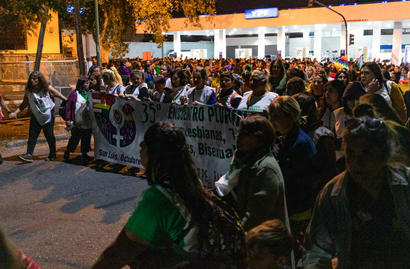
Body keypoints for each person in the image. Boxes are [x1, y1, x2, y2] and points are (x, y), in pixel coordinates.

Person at [92, 122, 246, 269]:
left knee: (140, 251)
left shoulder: (158, 198)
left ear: (154, 153)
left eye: (144, 144)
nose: (140, 147)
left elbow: (117, 254)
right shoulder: (192, 184)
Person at [304, 117, 410, 269]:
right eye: (351, 152)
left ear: (384, 153)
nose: (357, 162)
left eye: (366, 153)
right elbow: (316, 251)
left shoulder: (406, 185)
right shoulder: (333, 194)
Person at [215, 115, 289, 231]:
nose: (237, 137)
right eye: (238, 133)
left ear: (258, 138)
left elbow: (255, 217)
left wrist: (238, 236)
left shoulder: (266, 169)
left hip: (266, 242)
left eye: (244, 134)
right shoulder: (244, 161)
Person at [268, 96, 317, 252]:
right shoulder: (283, 139)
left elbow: (299, 183)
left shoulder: (300, 144)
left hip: (296, 211)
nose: (272, 120)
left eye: (276, 117)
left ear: (290, 116)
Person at [9, 71, 67, 162]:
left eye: (35, 79)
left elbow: (57, 94)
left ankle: (52, 154)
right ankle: (29, 154)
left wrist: (68, 101)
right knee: (32, 135)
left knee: (49, 135)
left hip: (48, 115)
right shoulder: (29, 91)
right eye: (31, 78)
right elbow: (25, 103)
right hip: (36, 115)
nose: (32, 80)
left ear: (40, 80)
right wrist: (15, 112)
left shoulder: (46, 88)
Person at [64, 78, 93, 164]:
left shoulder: (90, 93)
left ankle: (84, 155)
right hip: (77, 120)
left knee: (86, 138)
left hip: (87, 121)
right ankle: (68, 152)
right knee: (75, 137)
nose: (88, 85)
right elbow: (68, 107)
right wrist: (68, 119)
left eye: (88, 83)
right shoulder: (74, 94)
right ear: (81, 84)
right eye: (86, 83)